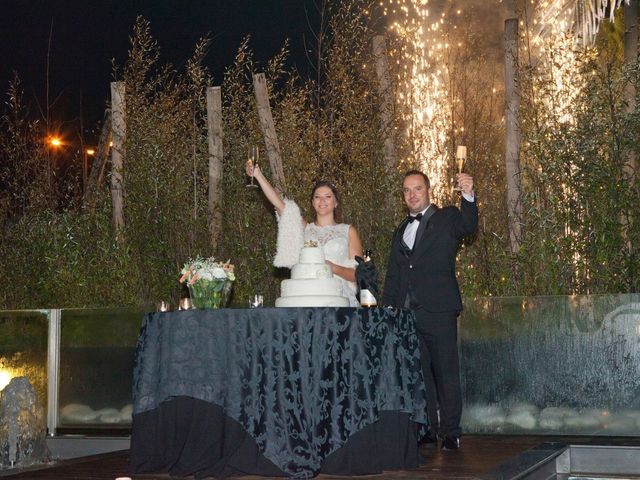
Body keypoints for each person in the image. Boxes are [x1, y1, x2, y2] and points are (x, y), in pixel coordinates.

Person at [382, 169, 477, 451]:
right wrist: (389, 309)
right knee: (420, 374)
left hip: (439, 309)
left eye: (417, 189)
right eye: (407, 190)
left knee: (446, 373)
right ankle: (427, 428)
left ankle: (451, 432)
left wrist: (468, 196)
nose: (412, 194)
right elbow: (394, 275)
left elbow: (469, 225)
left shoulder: (447, 217)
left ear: (428, 190)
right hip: (409, 314)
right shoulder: (400, 229)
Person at [245, 162, 363, 306]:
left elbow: (358, 275)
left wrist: (333, 267)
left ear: (336, 202)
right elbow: (280, 205)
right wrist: (258, 175)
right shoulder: (305, 228)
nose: (322, 201)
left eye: (328, 196)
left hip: (339, 297)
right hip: (307, 296)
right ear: (313, 202)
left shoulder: (348, 231)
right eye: (317, 197)